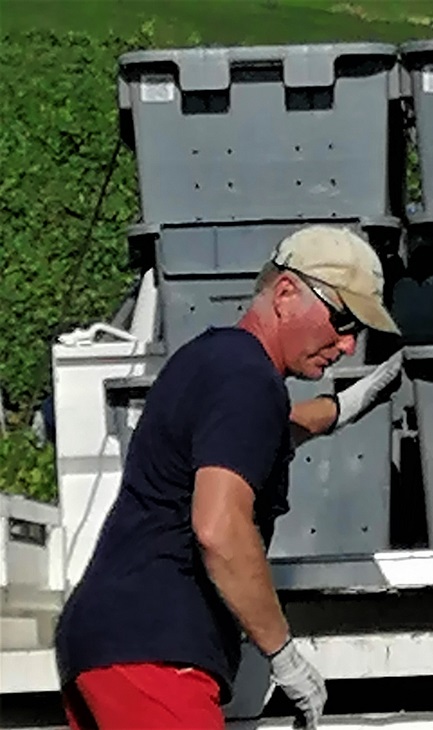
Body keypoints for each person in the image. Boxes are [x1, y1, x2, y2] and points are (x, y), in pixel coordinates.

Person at [54, 225, 403, 730]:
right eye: (342, 320)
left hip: (106, 645)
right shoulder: (248, 379)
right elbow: (218, 528)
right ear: (286, 293)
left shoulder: (215, 359)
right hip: (154, 654)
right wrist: (283, 653)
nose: (348, 345)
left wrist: (339, 408)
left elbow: (264, 434)